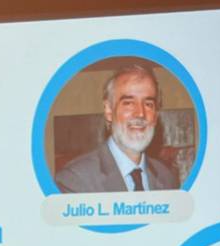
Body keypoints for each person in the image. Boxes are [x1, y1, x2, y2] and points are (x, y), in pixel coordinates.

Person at [55, 64, 178, 193]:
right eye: (128, 103)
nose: (140, 113)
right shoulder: (75, 180)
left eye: (148, 104)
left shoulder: (167, 179)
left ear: (156, 115)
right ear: (109, 111)